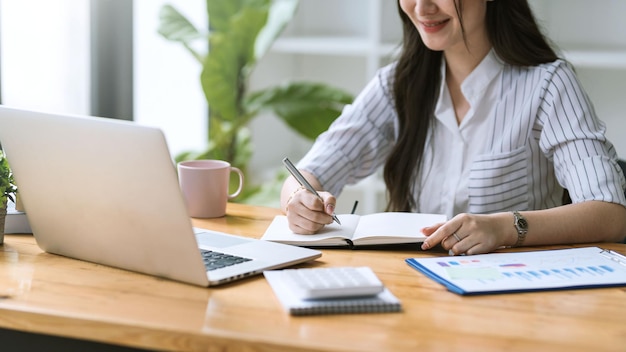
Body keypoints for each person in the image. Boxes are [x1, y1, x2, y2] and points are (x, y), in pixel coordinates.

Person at [280, 0, 626, 255]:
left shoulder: (547, 85)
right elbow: (310, 172)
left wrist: (502, 227)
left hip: (516, 299)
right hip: (417, 291)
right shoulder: (396, 85)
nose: (422, 7)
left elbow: (610, 213)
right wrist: (299, 201)